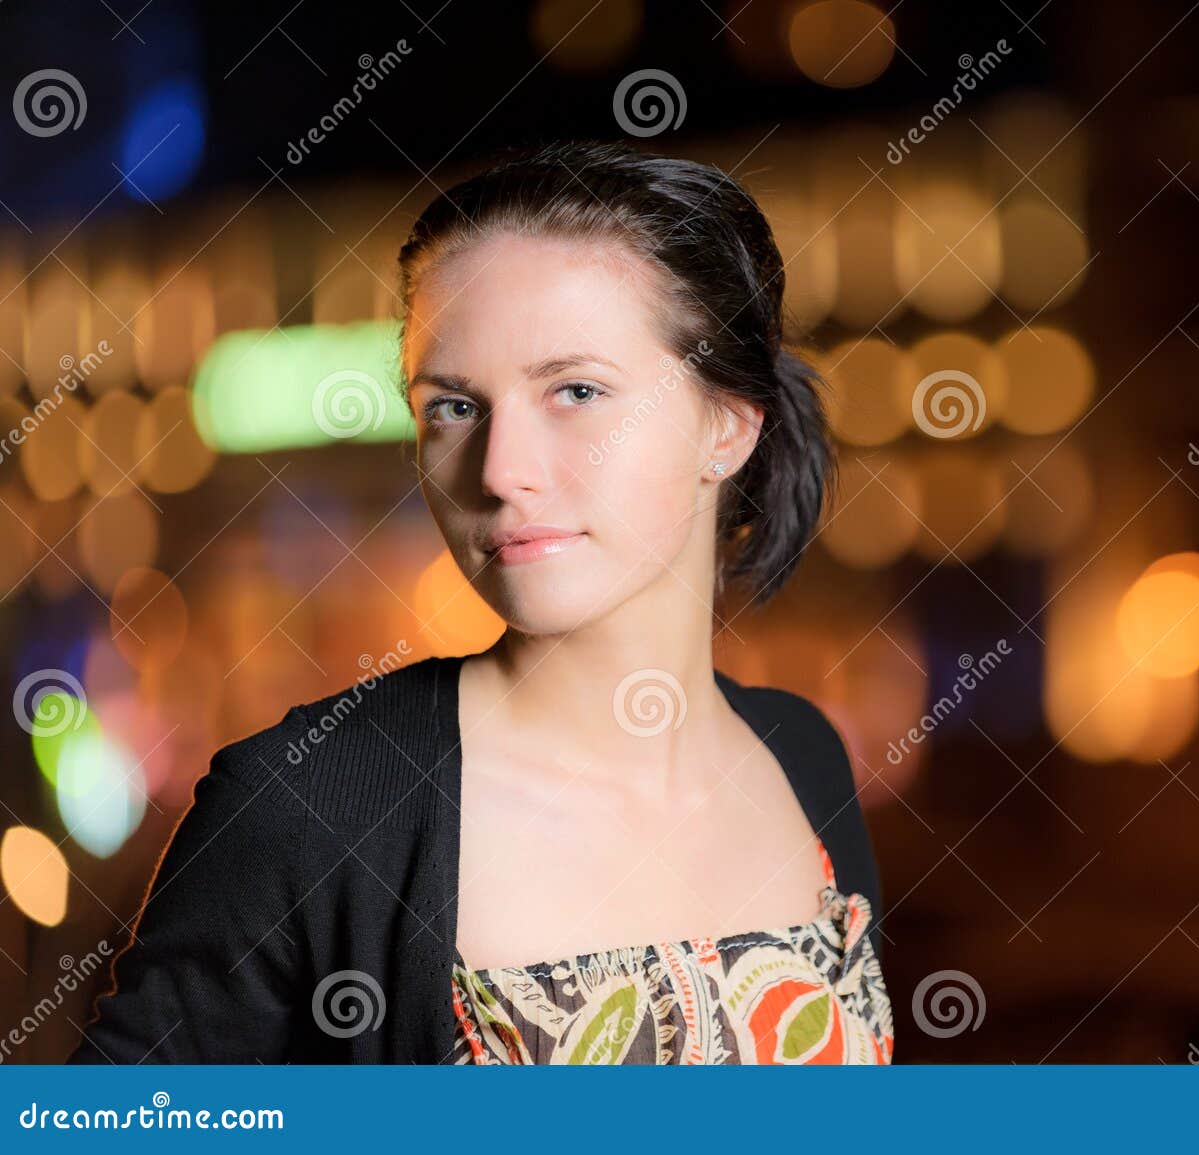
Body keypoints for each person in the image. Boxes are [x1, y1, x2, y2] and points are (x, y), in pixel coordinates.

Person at [68, 139, 892, 1065]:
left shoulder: (802, 758)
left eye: (576, 391)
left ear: (727, 425)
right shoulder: (312, 808)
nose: (499, 472)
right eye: (453, 407)